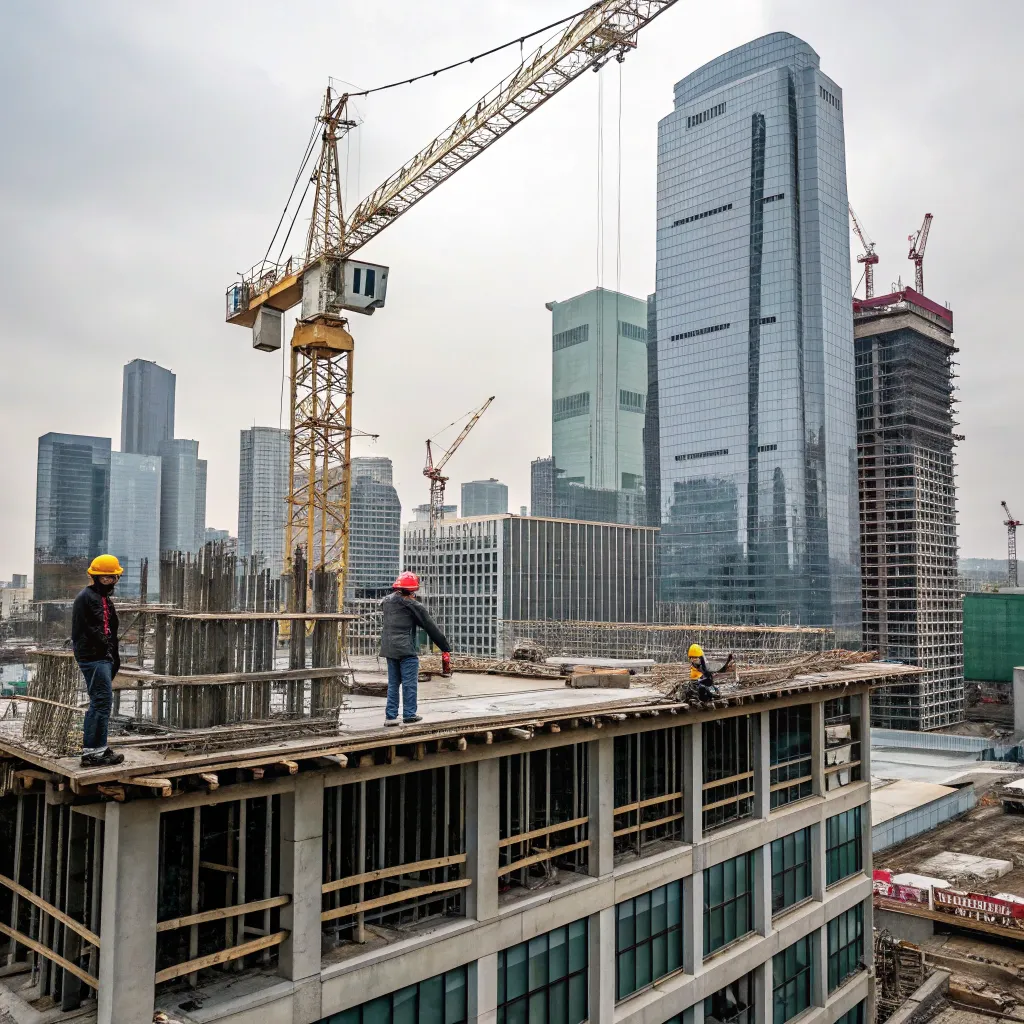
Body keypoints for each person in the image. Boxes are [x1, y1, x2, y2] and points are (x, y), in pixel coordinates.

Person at [72, 555, 126, 767]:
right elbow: (94, 631)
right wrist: (107, 653)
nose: (109, 581)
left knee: (100, 702)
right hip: (94, 657)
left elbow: (108, 631)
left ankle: (97, 749)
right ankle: (93, 753)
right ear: (95, 577)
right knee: (101, 702)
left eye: (112, 577)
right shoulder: (89, 597)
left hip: (99, 656)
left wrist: (114, 657)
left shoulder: (101, 598)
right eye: (105, 578)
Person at [379, 572, 451, 725]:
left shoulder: (387, 601)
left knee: (393, 683)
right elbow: (430, 627)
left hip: (389, 648)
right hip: (406, 650)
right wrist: (445, 647)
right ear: (412, 590)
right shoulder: (413, 605)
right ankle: (409, 714)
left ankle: (390, 717)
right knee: (409, 683)